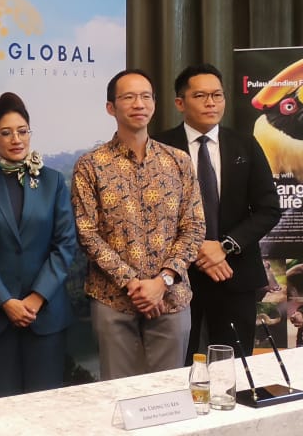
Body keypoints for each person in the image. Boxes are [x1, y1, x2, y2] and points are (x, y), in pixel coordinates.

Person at [71, 69, 204, 380]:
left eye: (145, 96)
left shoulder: (179, 161)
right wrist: (134, 284)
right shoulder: (90, 166)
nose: (138, 104)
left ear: (155, 104)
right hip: (113, 300)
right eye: (128, 97)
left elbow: (194, 227)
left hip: (171, 298)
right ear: (111, 107)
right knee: (119, 394)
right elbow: (87, 233)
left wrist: (162, 282)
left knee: (168, 393)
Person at [153, 64, 282, 361]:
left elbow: (268, 209)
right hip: (177, 276)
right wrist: (198, 249)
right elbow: (153, 217)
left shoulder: (245, 145)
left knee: (231, 365)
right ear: (180, 103)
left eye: (217, 95)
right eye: (200, 96)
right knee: (177, 365)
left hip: (233, 272)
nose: (211, 103)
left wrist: (224, 246)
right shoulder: (160, 147)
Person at [0, 92, 77, 397]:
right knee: (0, 408)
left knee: (45, 407)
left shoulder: (53, 182)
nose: (16, 139)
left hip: (46, 315)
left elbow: (65, 244)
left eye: (22, 131)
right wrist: (5, 301)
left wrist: (37, 297)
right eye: (6, 133)